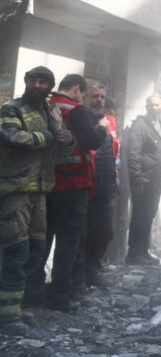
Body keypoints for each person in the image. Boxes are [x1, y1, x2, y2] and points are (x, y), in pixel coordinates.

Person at [0, 66, 74, 336]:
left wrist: (67, 140)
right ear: (26, 82)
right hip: (15, 192)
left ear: (50, 86)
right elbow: (12, 138)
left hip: (40, 191)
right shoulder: (11, 109)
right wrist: (50, 137)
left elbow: (61, 147)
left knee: (34, 254)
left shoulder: (52, 111)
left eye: (43, 82)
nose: (37, 85)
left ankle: (14, 307)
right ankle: (6, 318)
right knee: (15, 254)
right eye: (33, 80)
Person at [26, 74, 107, 312]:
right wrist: (101, 130)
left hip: (45, 186)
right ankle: (58, 295)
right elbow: (91, 142)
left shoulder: (44, 106)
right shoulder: (75, 110)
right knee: (67, 242)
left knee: (41, 239)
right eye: (84, 94)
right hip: (72, 186)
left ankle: (32, 292)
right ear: (77, 89)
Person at [73, 85, 119, 292]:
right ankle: (78, 279)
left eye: (102, 97)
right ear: (84, 98)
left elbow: (112, 153)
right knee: (82, 237)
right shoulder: (80, 121)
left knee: (104, 233)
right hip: (86, 189)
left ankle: (92, 272)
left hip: (105, 189)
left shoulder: (108, 123)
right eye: (94, 96)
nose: (99, 100)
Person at [124, 94, 161, 265]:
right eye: (150, 105)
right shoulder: (140, 125)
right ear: (146, 106)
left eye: (156, 105)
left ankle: (143, 251)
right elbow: (133, 153)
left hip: (156, 179)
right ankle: (134, 254)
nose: (153, 108)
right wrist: (137, 178)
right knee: (140, 216)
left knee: (149, 215)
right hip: (145, 179)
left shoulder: (158, 124)